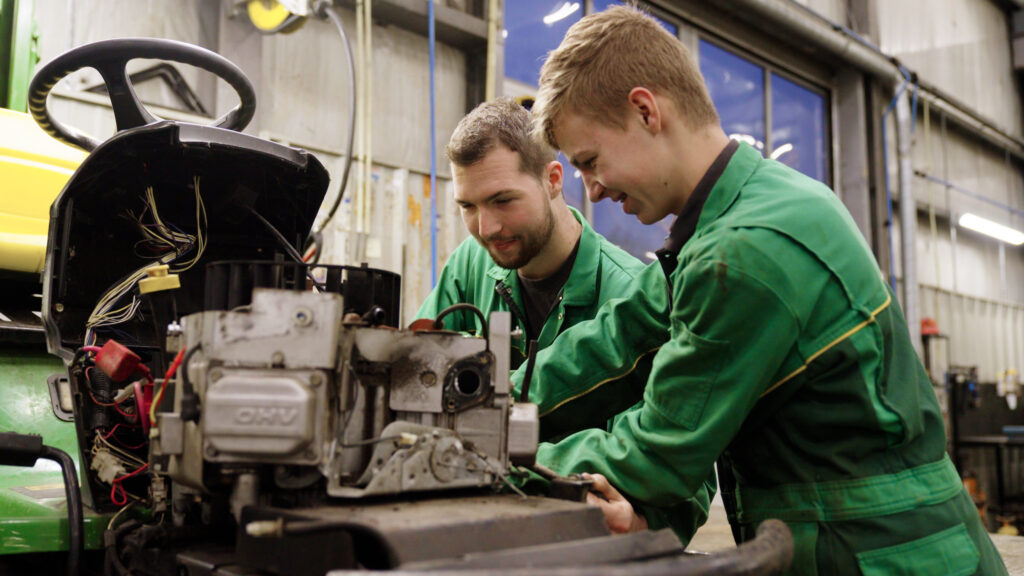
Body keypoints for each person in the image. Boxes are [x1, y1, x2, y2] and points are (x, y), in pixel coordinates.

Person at [514, 6, 1007, 574]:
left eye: (590, 161)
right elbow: (613, 341)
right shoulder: (735, 214)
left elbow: (658, 449)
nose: (591, 191)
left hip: (885, 555)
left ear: (646, 111)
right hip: (849, 544)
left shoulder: (745, 250)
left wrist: (493, 458)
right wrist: (489, 408)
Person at [416, 97, 714, 544]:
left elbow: (687, 471)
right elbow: (417, 386)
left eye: (502, 200)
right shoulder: (468, 267)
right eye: (468, 206)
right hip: (472, 524)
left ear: (552, 180)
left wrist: (645, 527)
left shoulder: (631, 294)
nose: (488, 227)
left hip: (582, 542)